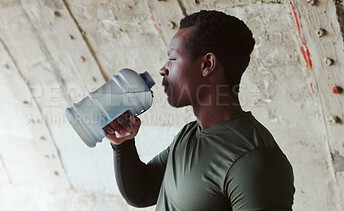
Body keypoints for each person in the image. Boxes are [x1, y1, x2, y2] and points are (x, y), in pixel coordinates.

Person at [104, 10, 295, 211]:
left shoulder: (255, 158)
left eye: (173, 59)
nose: (162, 69)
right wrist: (123, 144)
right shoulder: (189, 135)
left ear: (207, 65)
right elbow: (142, 193)